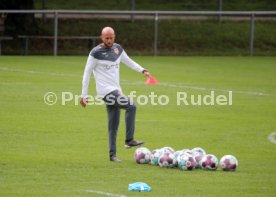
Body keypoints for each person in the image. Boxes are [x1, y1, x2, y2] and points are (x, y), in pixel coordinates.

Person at [80, 27, 151, 162]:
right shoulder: (95, 53)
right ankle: (129, 140)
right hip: (105, 91)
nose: (109, 40)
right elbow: (87, 73)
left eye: (111, 37)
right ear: (101, 38)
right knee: (131, 106)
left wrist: (143, 70)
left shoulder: (117, 49)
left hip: (116, 90)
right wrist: (84, 95)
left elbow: (129, 61)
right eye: (106, 38)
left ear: (114, 37)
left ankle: (112, 155)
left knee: (113, 124)